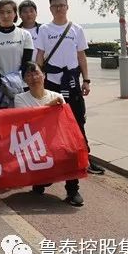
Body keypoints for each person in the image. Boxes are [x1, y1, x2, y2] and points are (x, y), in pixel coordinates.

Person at [35, 0, 104, 175]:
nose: (59, 8)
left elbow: (81, 56)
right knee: (52, 123)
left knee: (78, 120)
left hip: (72, 82)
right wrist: (38, 78)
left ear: (67, 7)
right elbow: (40, 55)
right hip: (52, 83)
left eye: (62, 5)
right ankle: (55, 159)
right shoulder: (44, 30)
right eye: (55, 6)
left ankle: (85, 158)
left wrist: (86, 80)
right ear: (50, 9)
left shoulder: (76, 29)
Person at [14, 62, 84, 207]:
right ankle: (39, 180)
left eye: (36, 73)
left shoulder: (56, 96)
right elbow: (26, 120)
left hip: (54, 140)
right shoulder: (20, 98)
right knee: (44, 177)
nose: (34, 77)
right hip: (34, 144)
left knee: (73, 152)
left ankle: (72, 191)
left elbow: (64, 122)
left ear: (44, 75)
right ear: (24, 79)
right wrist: (48, 107)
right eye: (29, 75)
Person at [0, 0, 33, 107]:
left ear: (15, 14)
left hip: (21, 85)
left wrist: (14, 82)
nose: (5, 16)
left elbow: (26, 62)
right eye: (1, 12)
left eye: (9, 12)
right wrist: (2, 84)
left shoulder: (25, 35)